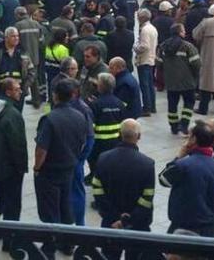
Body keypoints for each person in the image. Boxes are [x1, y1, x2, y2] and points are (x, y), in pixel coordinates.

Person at [33, 78, 87, 257]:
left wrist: (37, 167)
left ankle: (49, 248)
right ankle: (67, 243)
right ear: (72, 96)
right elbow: (83, 142)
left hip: (49, 172)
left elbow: (42, 149)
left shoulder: (49, 119)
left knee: (50, 212)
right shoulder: (80, 116)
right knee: (66, 208)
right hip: (69, 169)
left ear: (55, 96)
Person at [158, 120, 214, 236]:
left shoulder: (182, 166)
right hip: (208, 229)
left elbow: (163, 179)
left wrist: (179, 156)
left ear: (194, 140)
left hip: (181, 226)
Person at [92, 118, 155, 259]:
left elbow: (97, 191)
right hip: (138, 225)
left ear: (120, 133)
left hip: (110, 222)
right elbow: (147, 198)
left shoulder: (103, 158)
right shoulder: (147, 164)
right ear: (139, 136)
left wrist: (113, 217)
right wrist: (127, 221)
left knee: (109, 256)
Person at [0, 77, 27, 248]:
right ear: (8, 91)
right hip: (10, 168)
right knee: (13, 204)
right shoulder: (13, 114)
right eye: (17, 89)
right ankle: (10, 240)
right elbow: (18, 145)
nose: (20, 91)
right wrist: (21, 167)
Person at [157, 23, 201, 135]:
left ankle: (173, 127)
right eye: (183, 30)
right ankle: (184, 124)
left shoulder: (163, 46)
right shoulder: (188, 46)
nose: (185, 32)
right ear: (180, 32)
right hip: (187, 81)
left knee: (172, 105)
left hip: (171, 81)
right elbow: (196, 64)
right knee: (189, 103)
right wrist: (195, 76)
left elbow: (159, 64)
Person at [87, 73, 127, 177]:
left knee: (96, 163)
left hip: (98, 143)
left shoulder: (95, 104)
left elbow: (91, 127)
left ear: (100, 87)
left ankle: (95, 176)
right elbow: (124, 123)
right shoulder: (120, 103)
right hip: (116, 141)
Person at [134, 9, 158, 116]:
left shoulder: (144, 30)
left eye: (138, 17)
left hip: (144, 59)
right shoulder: (152, 28)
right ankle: (152, 106)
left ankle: (147, 108)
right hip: (151, 58)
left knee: (145, 85)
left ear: (142, 18)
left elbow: (144, 46)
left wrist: (135, 47)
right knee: (150, 84)